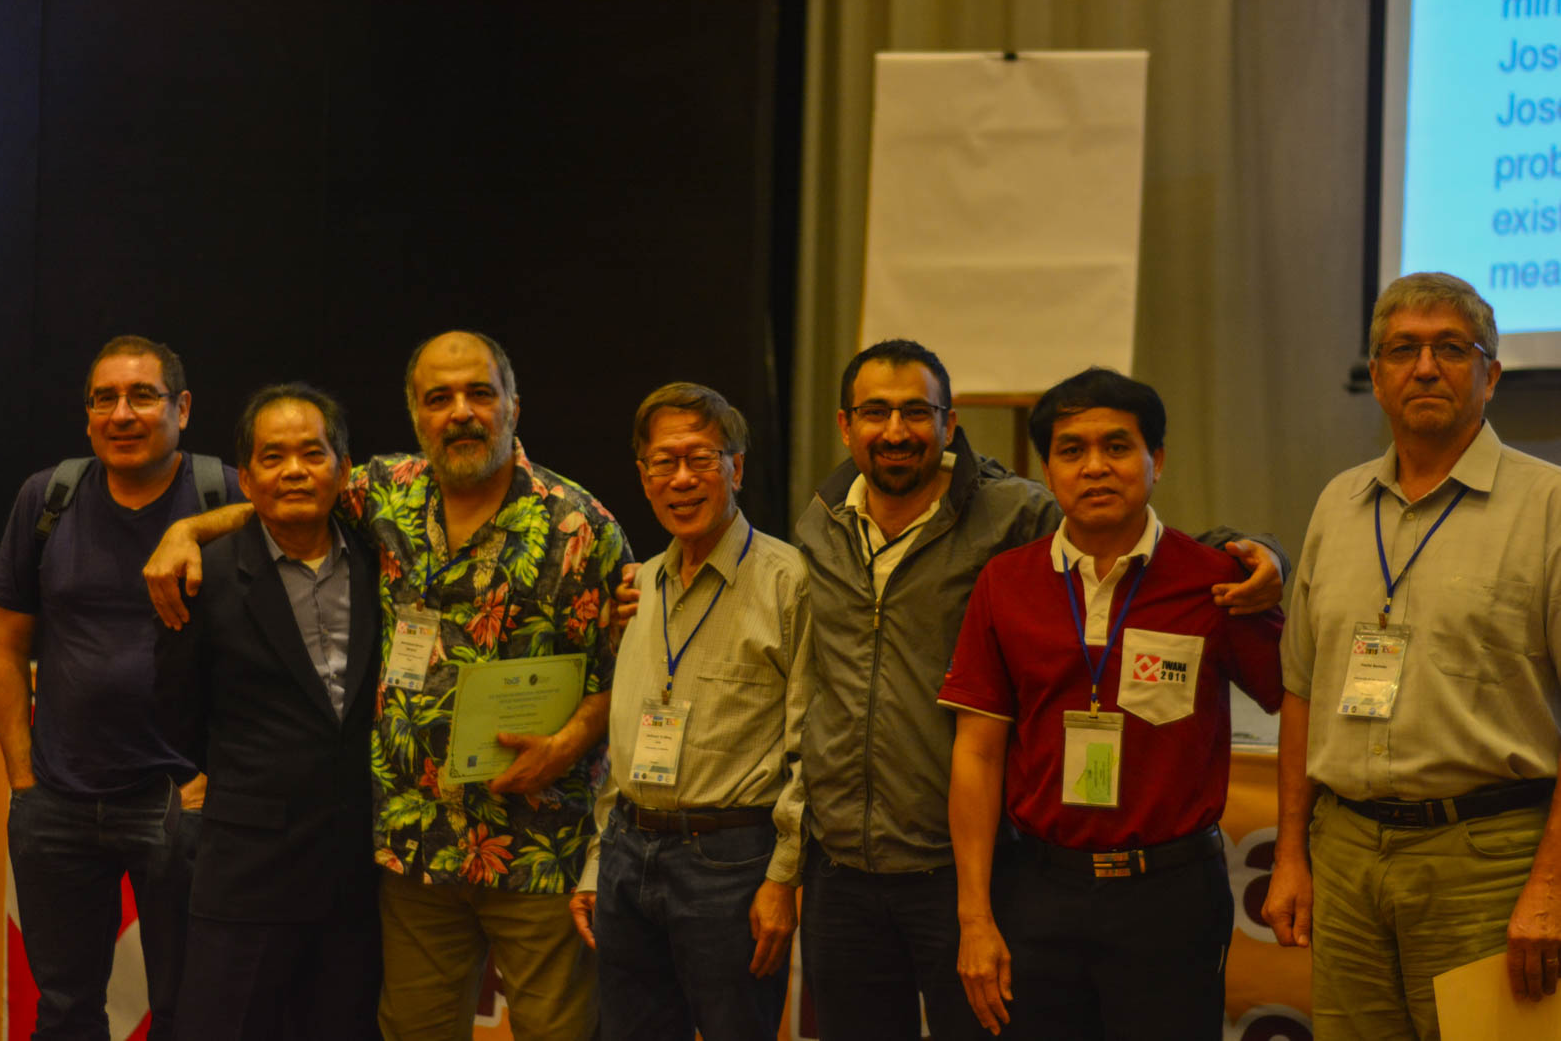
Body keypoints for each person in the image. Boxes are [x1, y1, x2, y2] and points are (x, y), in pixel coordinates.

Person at [791, 338, 1287, 1040]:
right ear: (846, 426)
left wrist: (1267, 554)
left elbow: (1294, 699)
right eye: (876, 412)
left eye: (916, 412)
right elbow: (969, 743)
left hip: (1140, 886)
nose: (1095, 467)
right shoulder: (827, 526)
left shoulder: (1181, 574)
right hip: (946, 877)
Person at [144, 330, 630, 1040]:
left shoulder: (581, 526)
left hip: (536, 846)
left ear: (513, 405)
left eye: (479, 393)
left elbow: (626, 673)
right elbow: (289, 497)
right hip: (413, 856)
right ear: (415, 414)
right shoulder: (388, 494)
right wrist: (185, 530)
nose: (460, 412)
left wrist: (566, 745)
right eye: (439, 398)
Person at [940, 367, 1284, 1038]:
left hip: (1171, 894)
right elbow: (976, 755)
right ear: (1048, 470)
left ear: (1157, 460)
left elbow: (1297, 704)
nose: (1095, 467)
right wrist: (974, 916)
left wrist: (1295, 855)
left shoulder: (1217, 583)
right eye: (1072, 450)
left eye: (1117, 447)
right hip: (1039, 888)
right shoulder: (1005, 583)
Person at [1263, 272, 1561, 1039]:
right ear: (1377, 377)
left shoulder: (1549, 506)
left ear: (1491, 376)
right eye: (1403, 350)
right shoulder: (1338, 504)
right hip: (1346, 856)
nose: (1425, 367)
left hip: (1490, 863)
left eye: (1451, 348)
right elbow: (1301, 690)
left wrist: (1551, 888)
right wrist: (1290, 855)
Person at [0, 335, 240, 1039]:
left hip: (180, 804)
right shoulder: (48, 499)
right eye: (105, 399)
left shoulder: (222, 491)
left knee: (188, 1015)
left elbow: (305, 509)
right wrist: (23, 780)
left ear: (182, 409)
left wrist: (196, 527)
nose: (122, 414)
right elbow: (6, 645)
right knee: (63, 1012)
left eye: (142, 396)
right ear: (88, 416)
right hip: (56, 804)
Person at [569, 382, 813, 1040]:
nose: (681, 478)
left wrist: (782, 879)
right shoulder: (639, 586)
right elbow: (622, 742)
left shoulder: (790, 582)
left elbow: (810, 748)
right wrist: (598, 863)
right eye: (663, 462)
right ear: (643, 478)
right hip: (628, 855)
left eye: (701, 458)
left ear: (736, 468)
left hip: (732, 864)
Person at [156, 384, 381, 1039]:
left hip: (358, 877)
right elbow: (175, 713)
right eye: (273, 457)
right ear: (247, 479)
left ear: (343, 468)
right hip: (247, 874)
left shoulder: (383, 563)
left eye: (313, 454)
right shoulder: (203, 576)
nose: (294, 471)